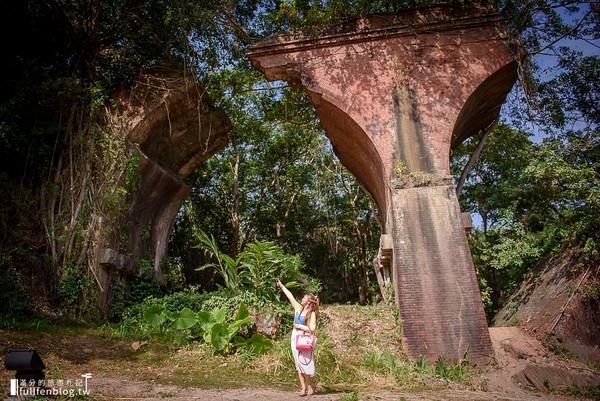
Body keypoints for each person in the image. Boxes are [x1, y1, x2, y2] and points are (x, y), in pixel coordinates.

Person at [276, 279, 320, 396]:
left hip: (303, 337)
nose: (302, 299)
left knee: (304, 362)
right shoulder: (298, 308)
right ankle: (303, 387)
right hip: (294, 336)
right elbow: (290, 296)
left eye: (304, 298)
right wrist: (281, 286)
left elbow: (312, 328)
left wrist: (299, 325)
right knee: (297, 362)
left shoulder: (311, 314)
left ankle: (310, 384)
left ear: (309, 301)